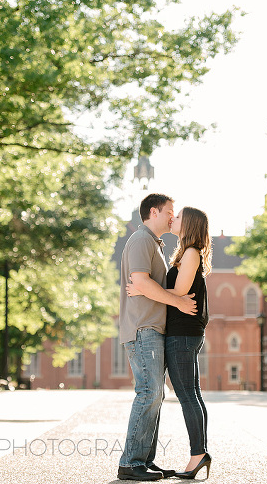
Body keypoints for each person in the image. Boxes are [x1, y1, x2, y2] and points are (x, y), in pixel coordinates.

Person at [128, 206, 213, 480]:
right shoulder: (185, 252)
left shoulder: (191, 253)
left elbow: (179, 292)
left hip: (184, 333)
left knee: (188, 394)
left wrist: (144, 288)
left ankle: (198, 455)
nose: (173, 219)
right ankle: (199, 453)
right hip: (182, 332)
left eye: (178, 217)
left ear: (188, 224)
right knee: (191, 393)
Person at [117, 193, 197, 482]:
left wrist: (154, 291)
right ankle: (130, 462)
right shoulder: (140, 240)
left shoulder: (153, 243)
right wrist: (177, 302)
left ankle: (144, 461)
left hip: (152, 327)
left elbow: (146, 284)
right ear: (154, 211)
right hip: (142, 328)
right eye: (169, 212)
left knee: (155, 394)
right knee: (149, 393)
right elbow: (140, 281)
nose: (173, 217)